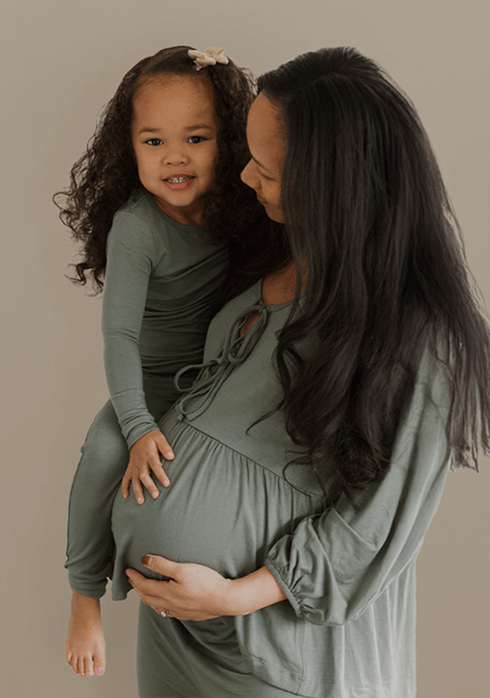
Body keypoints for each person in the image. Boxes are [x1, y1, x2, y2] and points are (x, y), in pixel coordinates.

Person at [114, 47, 490, 697]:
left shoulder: (424, 340)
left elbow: (376, 525)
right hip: (182, 634)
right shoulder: (269, 263)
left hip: (279, 649)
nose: (244, 178)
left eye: (266, 167)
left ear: (330, 185)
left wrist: (234, 596)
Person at [55, 45, 268, 679]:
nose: (174, 157)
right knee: (99, 457)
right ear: (130, 149)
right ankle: (83, 595)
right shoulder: (137, 227)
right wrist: (138, 425)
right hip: (144, 387)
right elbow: (118, 336)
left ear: (227, 143)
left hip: (215, 382)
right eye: (153, 141)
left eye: (195, 138)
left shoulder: (242, 208)